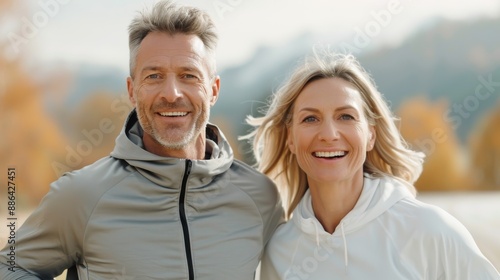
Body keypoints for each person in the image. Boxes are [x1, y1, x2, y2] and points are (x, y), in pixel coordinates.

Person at [0, 1, 283, 279]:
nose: (171, 93)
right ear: (132, 90)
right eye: (154, 76)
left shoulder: (260, 196)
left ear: (213, 90)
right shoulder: (81, 195)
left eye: (188, 75)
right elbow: (10, 267)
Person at [244, 51, 500, 279]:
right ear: (290, 138)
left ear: (370, 135)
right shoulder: (278, 251)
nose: (329, 134)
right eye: (310, 118)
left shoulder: (429, 230)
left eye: (346, 116)